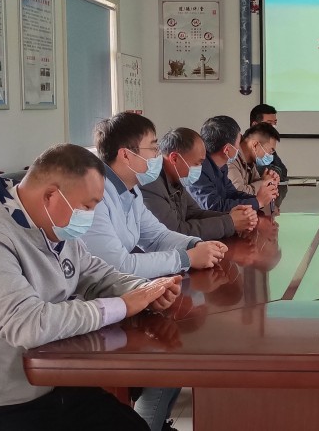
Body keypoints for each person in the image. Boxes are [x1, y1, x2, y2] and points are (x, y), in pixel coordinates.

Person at [0, 143, 182, 431]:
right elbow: (29, 325)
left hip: (53, 382)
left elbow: (92, 272)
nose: (89, 217)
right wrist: (123, 305)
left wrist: (145, 290)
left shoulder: (49, 220)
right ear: (51, 195)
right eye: (87, 207)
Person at [81, 112, 227, 431]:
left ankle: (155, 423)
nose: (157, 155)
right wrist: (187, 258)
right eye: (152, 147)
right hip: (95, 307)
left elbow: (157, 235)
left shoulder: (130, 189)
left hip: (125, 293)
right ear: (126, 155)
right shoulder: (96, 194)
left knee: (175, 340)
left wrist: (197, 244)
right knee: (169, 347)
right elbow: (118, 264)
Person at [142, 127, 258, 239]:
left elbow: (193, 213)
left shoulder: (176, 180)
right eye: (197, 164)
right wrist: (230, 223)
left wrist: (232, 217)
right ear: (174, 158)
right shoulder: (150, 185)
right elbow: (175, 232)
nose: (200, 169)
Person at [187, 115, 277, 212]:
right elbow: (214, 207)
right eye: (238, 143)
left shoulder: (221, 166)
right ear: (227, 150)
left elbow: (232, 194)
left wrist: (260, 198)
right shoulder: (198, 169)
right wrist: (258, 202)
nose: (239, 148)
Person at [227, 122, 281, 195]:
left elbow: (255, 185)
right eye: (270, 151)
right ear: (255, 145)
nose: (271, 155)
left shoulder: (250, 163)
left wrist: (269, 181)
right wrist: (264, 182)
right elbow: (238, 193)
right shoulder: (231, 159)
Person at [249, 104, 288, 182]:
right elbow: (251, 173)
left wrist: (273, 171)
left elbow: (283, 172)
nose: (273, 127)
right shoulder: (244, 145)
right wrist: (272, 170)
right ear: (255, 125)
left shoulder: (268, 145)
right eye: (269, 123)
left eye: (275, 123)